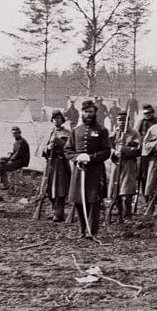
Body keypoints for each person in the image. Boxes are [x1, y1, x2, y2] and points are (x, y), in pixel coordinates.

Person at [64, 99, 112, 238]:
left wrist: (90, 158)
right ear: (82, 113)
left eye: (91, 112)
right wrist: (77, 157)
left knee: (93, 200)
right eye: (86, 112)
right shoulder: (76, 131)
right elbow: (67, 150)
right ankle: (82, 230)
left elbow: (106, 151)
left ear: (95, 113)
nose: (88, 114)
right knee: (79, 200)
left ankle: (92, 231)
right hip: (79, 171)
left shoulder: (102, 130)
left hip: (95, 171)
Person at [109, 110, 142, 224]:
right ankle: (119, 214)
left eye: (123, 120)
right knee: (115, 191)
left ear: (128, 121)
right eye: (119, 120)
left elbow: (138, 150)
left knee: (126, 192)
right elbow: (107, 147)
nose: (121, 123)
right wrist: (114, 152)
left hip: (128, 165)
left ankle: (127, 215)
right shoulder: (114, 133)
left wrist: (125, 149)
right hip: (116, 165)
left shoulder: (134, 134)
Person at [41, 110, 72, 222]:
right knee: (49, 189)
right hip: (50, 163)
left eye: (58, 118)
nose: (56, 120)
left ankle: (59, 213)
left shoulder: (67, 133)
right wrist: (47, 148)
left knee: (60, 189)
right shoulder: (49, 132)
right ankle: (55, 211)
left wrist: (59, 142)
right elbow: (41, 149)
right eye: (54, 118)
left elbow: (70, 148)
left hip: (61, 163)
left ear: (62, 120)